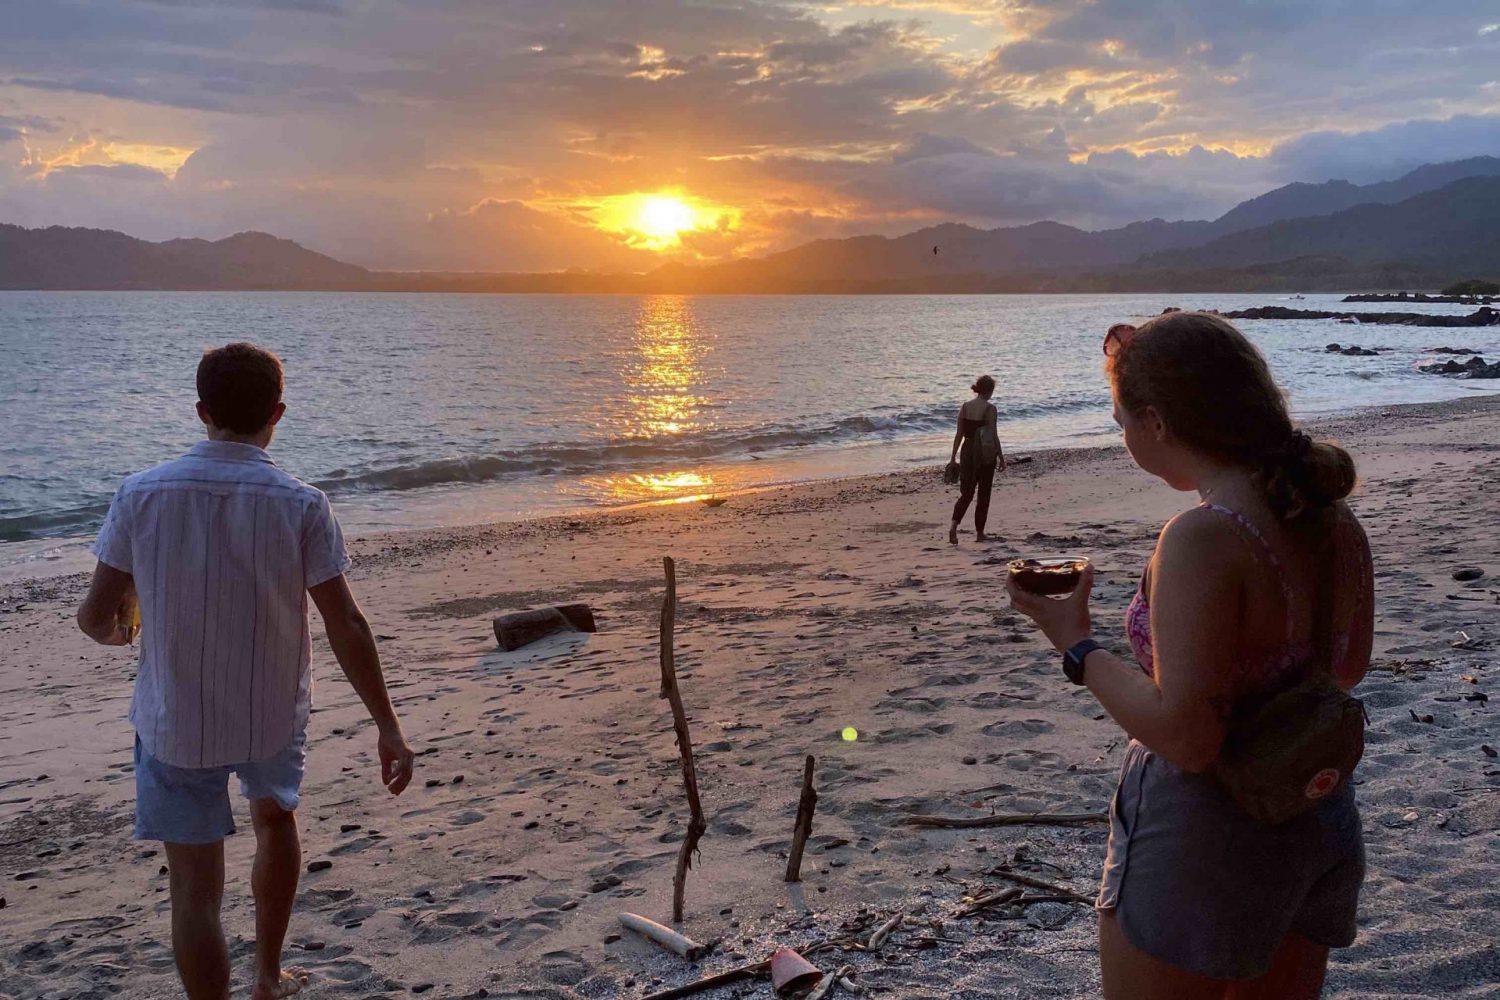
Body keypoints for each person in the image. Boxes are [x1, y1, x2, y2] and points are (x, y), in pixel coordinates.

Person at [1007, 312, 1373, 999]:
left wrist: (1076, 644)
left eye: (1120, 422)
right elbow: (1347, 668)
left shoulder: (1203, 537)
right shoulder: (1331, 518)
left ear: (1158, 423)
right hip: (1312, 813)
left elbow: (1189, 738)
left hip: (1205, 834)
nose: (1122, 437)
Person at [76, 343, 416, 1000]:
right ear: (277, 414)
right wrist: (388, 725)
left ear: (201, 411)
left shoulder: (140, 495)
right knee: (275, 820)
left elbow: (95, 617)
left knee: (194, 892)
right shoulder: (301, 504)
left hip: (176, 721)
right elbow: (347, 624)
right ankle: (266, 974)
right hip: (269, 714)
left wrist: (128, 631)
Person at [947, 374, 1005, 544]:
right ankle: (980, 534)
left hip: (966, 451)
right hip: (984, 453)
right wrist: (1001, 456)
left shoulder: (965, 407)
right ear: (990, 391)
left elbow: (959, 434)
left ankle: (953, 526)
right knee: (984, 494)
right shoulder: (990, 409)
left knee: (966, 493)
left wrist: (953, 457)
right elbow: (993, 435)